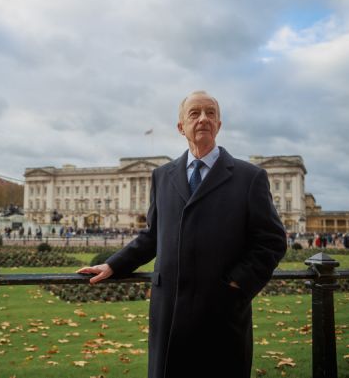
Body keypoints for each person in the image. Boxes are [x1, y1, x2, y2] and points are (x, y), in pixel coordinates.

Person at [78, 90, 287, 378]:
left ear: (219, 125)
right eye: (194, 113)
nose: (203, 119)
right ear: (181, 127)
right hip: (170, 310)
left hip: (221, 311)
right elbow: (153, 235)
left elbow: (272, 242)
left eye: (210, 113)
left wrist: (238, 283)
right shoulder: (161, 175)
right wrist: (114, 264)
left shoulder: (249, 177)